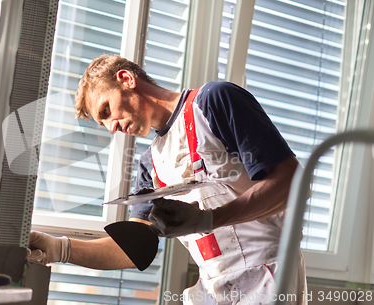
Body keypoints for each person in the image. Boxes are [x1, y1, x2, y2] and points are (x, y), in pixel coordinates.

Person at [29, 54, 307, 305]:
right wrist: (60, 248)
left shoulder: (213, 102)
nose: (112, 127)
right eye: (104, 124)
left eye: (106, 110)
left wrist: (209, 220)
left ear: (126, 79)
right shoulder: (150, 164)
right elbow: (133, 249)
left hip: (269, 278)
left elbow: (291, 183)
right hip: (213, 291)